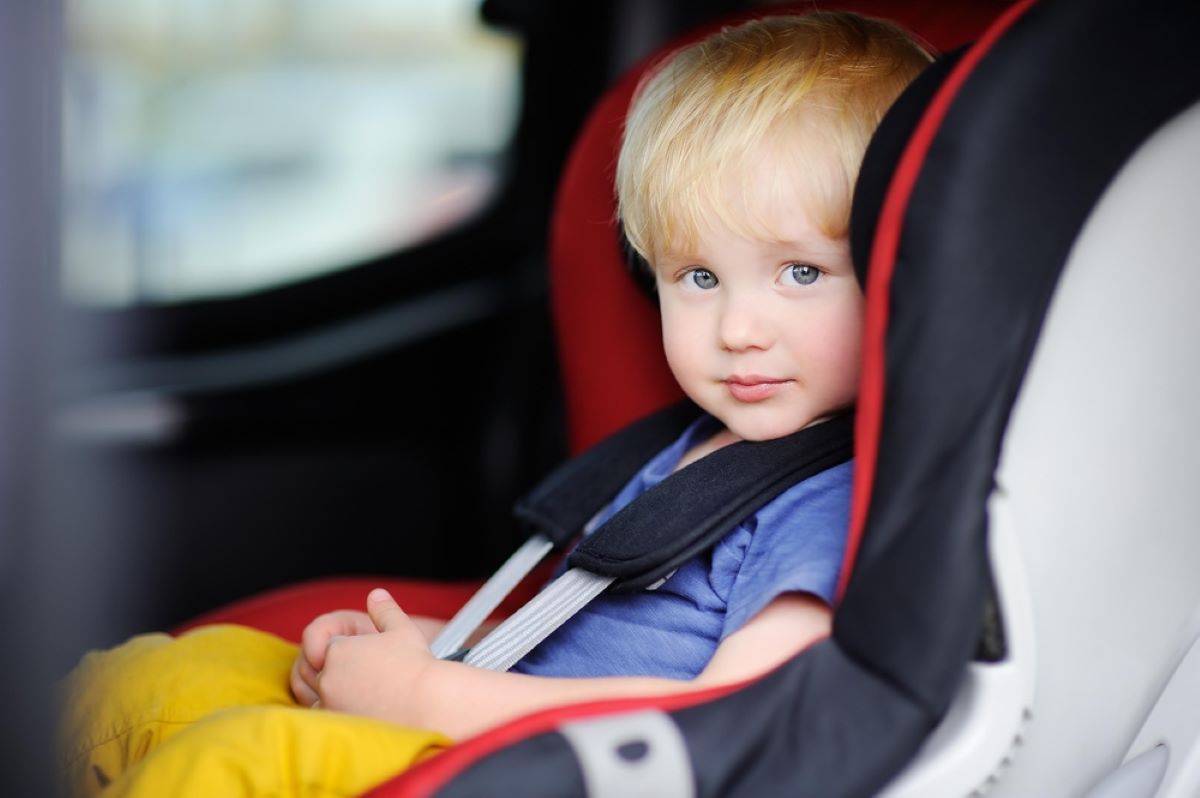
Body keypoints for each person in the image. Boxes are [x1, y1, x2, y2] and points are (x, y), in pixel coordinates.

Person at [59, 12, 933, 796]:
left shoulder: (824, 502)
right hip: (505, 711)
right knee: (167, 677)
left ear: (899, 275)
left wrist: (425, 693)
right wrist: (425, 645)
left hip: (568, 771)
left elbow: (740, 718)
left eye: (802, 273)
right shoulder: (696, 445)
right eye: (698, 277)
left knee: (233, 763)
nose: (738, 328)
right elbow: (589, 635)